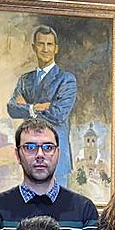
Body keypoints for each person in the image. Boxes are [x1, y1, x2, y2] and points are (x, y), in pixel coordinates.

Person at [7, 25, 77, 188]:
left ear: (56, 48)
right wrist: (37, 108)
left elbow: (58, 114)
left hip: (57, 163)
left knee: (60, 212)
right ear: (34, 47)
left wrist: (27, 108)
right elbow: (11, 108)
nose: (45, 49)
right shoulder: (25, 80)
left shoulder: (66, 80)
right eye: (41, 44)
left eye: (49, 44)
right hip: (30, 158)